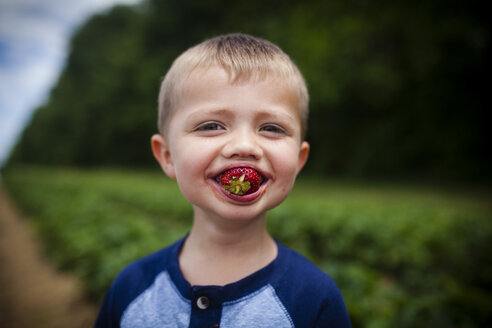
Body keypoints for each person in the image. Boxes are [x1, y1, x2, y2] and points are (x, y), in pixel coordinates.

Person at [94, 33, 351, 328]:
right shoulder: (130, 289)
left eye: (271, 128)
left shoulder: (316, 299)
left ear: (298, 159)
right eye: (211, 125)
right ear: (167, 156)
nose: (244, 146)